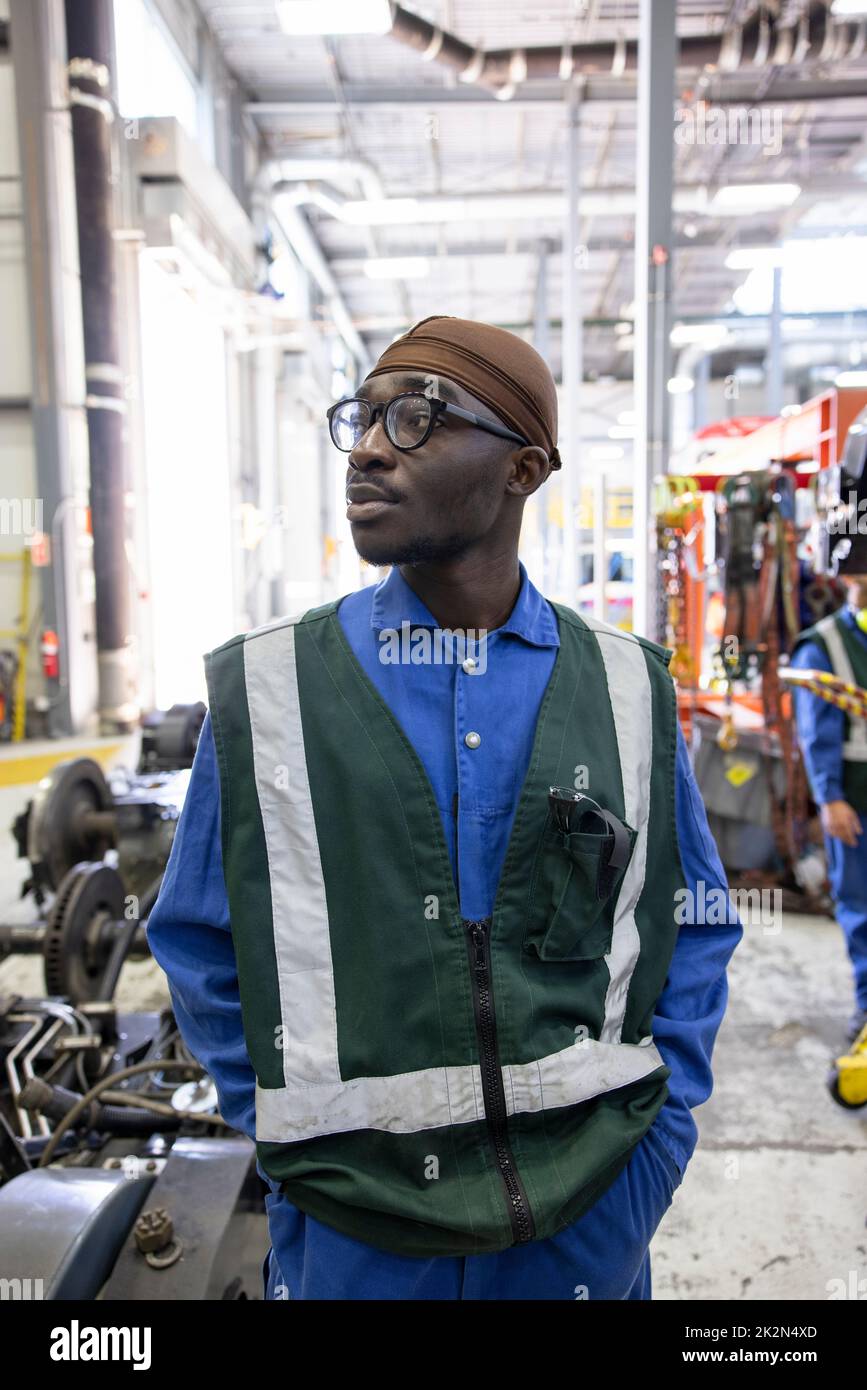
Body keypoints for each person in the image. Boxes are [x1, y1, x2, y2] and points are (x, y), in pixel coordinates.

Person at [147, 315, 742, 1300]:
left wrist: (653, 1151)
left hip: (583, 1231)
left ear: (524, 469)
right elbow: (204, 943)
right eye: (364, 418)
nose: (372, 449)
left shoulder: (627, 691)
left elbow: (694, 925)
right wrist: (290, 1143)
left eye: (417, 419)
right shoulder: (275, 690)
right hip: (356, 1241)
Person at [791, 538, 867, 1044]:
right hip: (855, 798)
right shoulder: (824, 645)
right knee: (861, 904)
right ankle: (866, 1009)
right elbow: (816, 733)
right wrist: (830, 798)